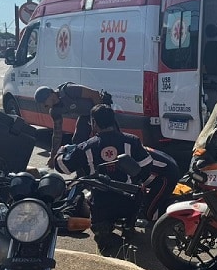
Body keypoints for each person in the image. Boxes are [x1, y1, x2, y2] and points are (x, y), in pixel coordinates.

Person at [52, 103, 153, 253]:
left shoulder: (86, 146)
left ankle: (103, 231)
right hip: (130, 200)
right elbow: (147, 166)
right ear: (113, 120)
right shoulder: (132, 140)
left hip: (102, 204)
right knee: (137, 192)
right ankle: (129, 225)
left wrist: (60, 152)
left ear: (94, 123)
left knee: (104, 242)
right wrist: (138, 181)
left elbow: (63, 167)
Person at [34, 83, 111, 166]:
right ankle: (81, 171)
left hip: (101, 111)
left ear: (50, 95)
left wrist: (98, 119)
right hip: (85, 115)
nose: (44, 106)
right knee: (77, 141)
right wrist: (53, 156)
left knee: (109, 137)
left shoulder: (68, 90)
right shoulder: (55, 111)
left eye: (44, 103)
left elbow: (95, 94)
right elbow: (57, 134)